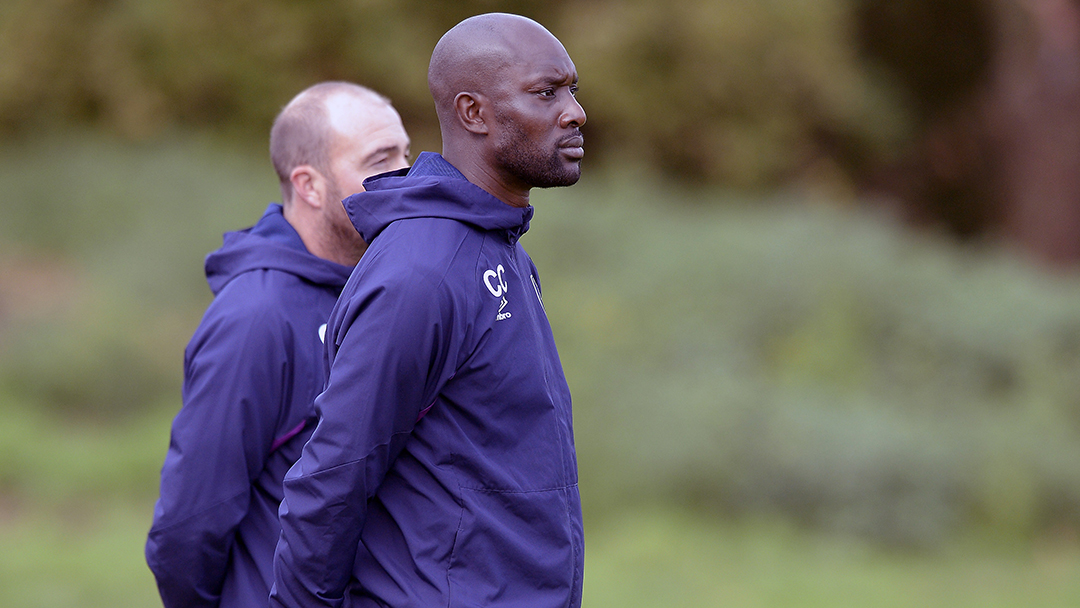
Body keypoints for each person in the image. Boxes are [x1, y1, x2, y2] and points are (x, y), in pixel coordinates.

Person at [269, 13, 587, 608]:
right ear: (473, 113)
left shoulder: (502, 249)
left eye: (572, 90)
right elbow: (332, 479)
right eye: (547, 93)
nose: (574, 111)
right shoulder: (422, 271)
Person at [145, 81, 411, 608]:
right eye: (381, 159)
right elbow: (189, 525)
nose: (407, 176)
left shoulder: (390, 289)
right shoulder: (257, 318)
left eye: (407, 152)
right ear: (309, 185)